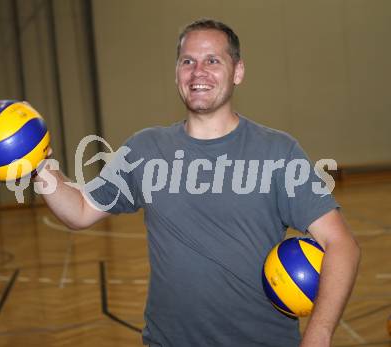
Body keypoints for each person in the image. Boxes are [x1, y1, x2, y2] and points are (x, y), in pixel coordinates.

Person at [36, 19, 360, 347]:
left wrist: (318, 334)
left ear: (238, 71)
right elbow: (79, 210)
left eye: (213, 60)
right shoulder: (145, 149)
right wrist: (37, 162)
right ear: (177, 72)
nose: (198, 71)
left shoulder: (278, 152)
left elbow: (341, 244)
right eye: (187, 61)